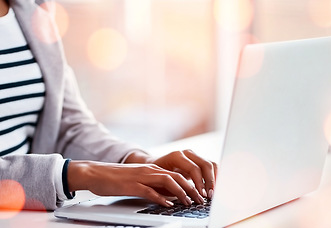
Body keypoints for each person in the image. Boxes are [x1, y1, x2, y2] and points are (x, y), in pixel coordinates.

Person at [0, 0, 217, 211]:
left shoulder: (33, 8)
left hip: (25, 218)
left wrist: (137, 162)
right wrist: (81, 174)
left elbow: (69, 126)